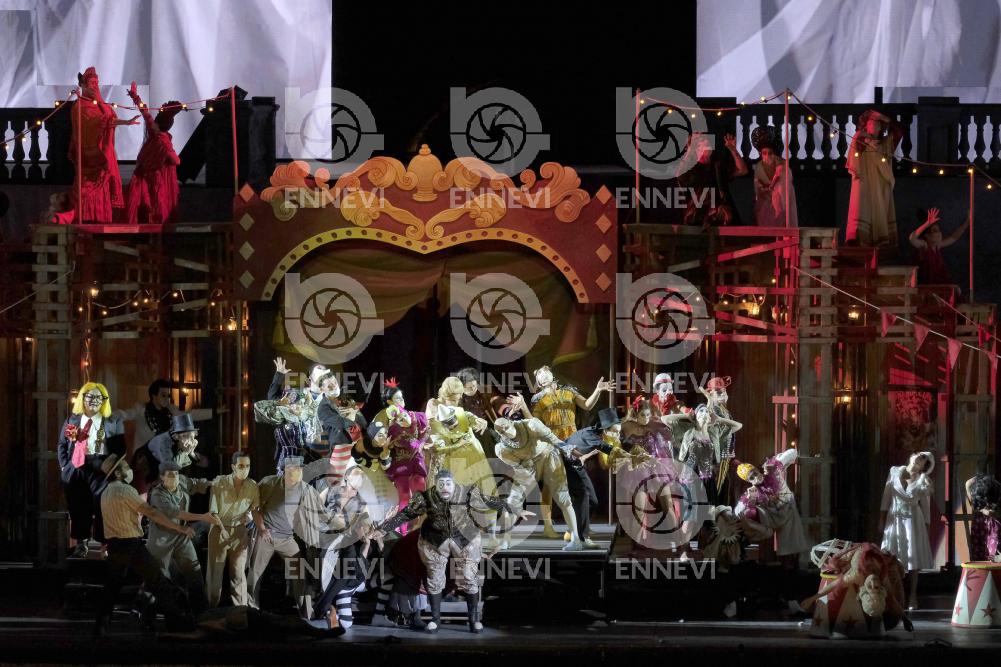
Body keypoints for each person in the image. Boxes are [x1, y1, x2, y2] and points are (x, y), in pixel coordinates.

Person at [373, 469, 534, 633]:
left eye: (448, 484)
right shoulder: (427, 497)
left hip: (464, 537)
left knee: (469, 576)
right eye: (441, 484)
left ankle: (474, 621)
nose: (445, 487)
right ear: (436, 485)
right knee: (435, 578)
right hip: (435, 539)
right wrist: (384, 528)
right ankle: (435, 620)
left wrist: (515, 509)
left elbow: (489, 501)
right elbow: (407, 514)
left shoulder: (466, 494)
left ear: (454, 484)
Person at [96, 455, 194, 636]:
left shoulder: (105, 493)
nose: (129, 469)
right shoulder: (126, 490)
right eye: (125, 467)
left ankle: (100, 625)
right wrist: (179, 528)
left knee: (112, 586)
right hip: (131, 545)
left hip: (114, 545)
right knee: (158, 582)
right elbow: (151, 513)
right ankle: (177, 622)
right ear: (117, 473)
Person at [527, 366, 612, 537]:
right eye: (539, 376)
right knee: (549, 485)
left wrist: (597, 390)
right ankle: (548, 526)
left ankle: (577, 526)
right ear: (538, 382)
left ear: (552, 374)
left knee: (575, 484)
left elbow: (587, 405)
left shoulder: (569, 391)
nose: (543, 376)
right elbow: (535, 424)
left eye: (545, 373)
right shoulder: (538, 400)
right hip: (552, 443)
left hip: (572, 441)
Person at [248, 456, 333, 618]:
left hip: (287, 538)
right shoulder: (269, 483)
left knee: (299, 572)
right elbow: (254, 508)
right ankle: (251, 609)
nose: (297, 472)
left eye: (299, 469)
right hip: (266, 535)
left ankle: (306, 611)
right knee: (255, 573)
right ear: (285, 471)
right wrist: (262, 529)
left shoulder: (304, 489)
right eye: (293, 469)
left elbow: (321, 512)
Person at [492, 416, 585, 550]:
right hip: (527, 466)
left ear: (511, 423)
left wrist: (569, 449)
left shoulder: (531, 425)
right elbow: (518, 466)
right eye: (501, 431)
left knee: (563, 498)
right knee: (512, 501)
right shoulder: (502, 448)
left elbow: (553, 439)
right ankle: (505, 540)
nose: (505, 432)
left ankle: (576, 539)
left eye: (506, 427)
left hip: (548, 457)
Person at [57, 382, 126, 556]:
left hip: (101, 466)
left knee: (103, 505)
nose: (95, 400)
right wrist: (64, 466)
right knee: (78, 506)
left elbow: (120, 448)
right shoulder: (72, 420)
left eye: (99, 397)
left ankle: (105, 545)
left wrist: (110, 466)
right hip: (76, 466)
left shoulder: (113, 420)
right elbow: (62, 445)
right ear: (82, 398)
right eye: (90, 396)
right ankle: (81, 543)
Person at [147, 461, 219, 614]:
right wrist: (202, 517)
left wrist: (212, 483)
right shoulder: (157, 494)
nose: (175, 477)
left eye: (176, 473)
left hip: (181, 536)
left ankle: (201, 611)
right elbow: (176, 513)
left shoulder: (183, 482)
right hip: (161, 539)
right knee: (159, 578)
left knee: (194, 570)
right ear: (162, 477)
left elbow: (196, 483)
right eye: (170, 474)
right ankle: (147, 612)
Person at [69, 67, 139, 224]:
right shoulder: (79, 106)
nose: (95, 86)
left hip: (103, 157)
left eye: (97, 83)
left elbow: (108, 119)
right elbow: (92, 124)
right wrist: (116, 120)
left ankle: (100, 220)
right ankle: (86, 220)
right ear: (83, 84)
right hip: (89, 158)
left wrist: (126, 121)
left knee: (102, 187)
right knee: (86, 189)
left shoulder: (100, 104)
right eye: (92, 83)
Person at [734, 449, 808, 566]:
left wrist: (776, 464)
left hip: (788, 511)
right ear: (748, 481)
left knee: (792, 545)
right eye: (751, 478)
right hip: (774, 519)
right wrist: (748, 502)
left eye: (755, 473)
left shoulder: (771, 471)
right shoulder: (753, 491)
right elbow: (737, 512)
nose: (756, 478)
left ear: (757, 469)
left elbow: (793, 452)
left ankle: (794, 563)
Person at [880, 451, 935, 609]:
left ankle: (912, 595)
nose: (919, 457)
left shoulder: (923, 481)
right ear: (910, 456)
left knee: (913, 560)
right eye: (918, 454)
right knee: (892, 556)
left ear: (924, 466)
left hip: (913, 522)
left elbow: (926, 508)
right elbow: (886, 497)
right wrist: (881, 521)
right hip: (894, 519)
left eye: (923, 458)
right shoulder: (894, 471)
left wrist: (926, 530)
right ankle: (894, 594)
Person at [562, 408, 623, 548]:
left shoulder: (599, 435)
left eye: (619, 432)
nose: (618, 435)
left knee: (592, 501)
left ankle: (574, 531)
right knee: (583, 497)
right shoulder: (591, 436)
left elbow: (598, 451)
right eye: (615, 432)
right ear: (605, 430)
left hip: (577, 465)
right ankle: (580, 538)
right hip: (566, 465)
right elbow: (606, 449)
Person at [255, 357, 329, 472]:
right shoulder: (295, 395)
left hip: (317, 461)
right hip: (291, 457)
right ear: (309, 379)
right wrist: (279, 375)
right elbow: (273, 400)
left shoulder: (330, 404)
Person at [124, 83, 183, 225]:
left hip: (156, 180)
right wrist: (135, 97)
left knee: (155, 208)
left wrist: (167, 157)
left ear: (159, 125)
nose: (152, 124)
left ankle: (154, 233)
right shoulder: (155, 132)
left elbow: (176, 161)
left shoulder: (164, 142)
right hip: (145, 177)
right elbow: (145, 113)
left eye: (155, 123)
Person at [206, 451, 260, 608]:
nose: (245, 469)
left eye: (248, 466)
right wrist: (222, 530)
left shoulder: (252, 486)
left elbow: (255, 507)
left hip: (239, 532)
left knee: (238, 573)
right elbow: (213, 512)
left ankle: (241, 611)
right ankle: (211, 609)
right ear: (233, 467)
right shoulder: (220, 483)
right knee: (215, 574)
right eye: (241, 466)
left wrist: (249, 517)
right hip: (219, 528)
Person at [846, 109, 904, 248]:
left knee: (880, 213)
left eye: (879, 124)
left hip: (880, 186)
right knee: (862, 210)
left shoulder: (885, 144)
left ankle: (881, 248)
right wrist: (863, 133)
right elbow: (855, 153)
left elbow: (898, 131)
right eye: (873, 122)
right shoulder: (861, 140)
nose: (876, 125)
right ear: (866, 125)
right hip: (864, 184)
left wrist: (885, 118)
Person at [113, 378, 212, 456]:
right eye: (163, 395)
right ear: (154, 396)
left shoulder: (171, 411)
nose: (167, 399)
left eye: (168, 396)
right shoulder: (141, 409)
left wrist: (214, 412)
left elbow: (190, 415)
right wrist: (113, 415)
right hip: (144, 460)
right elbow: (126, 414)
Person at [676, 132, 749, 227]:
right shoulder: (692, 169)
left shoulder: (717, 167)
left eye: (707, 139)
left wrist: (733, 150)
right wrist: (689, 150)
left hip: (722, 219)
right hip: (699, 221)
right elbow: (679, 174)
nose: (707, 141)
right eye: (702, 141)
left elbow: (743, 170)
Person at [132, 414, 202, 495]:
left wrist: (191, 453)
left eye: (193, 437)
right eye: (188, 437)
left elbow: (187, 462)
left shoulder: (181, 444)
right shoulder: (164, 443)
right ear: (177, 436)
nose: (191, 441)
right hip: (145, 469)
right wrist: (185, 452)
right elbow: (171, 470)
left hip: (156, 471)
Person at [908, 207, 969, 285]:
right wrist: (927, 224)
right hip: (927, 287)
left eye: (939, 230)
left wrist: (967, 222)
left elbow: (953, 238)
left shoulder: (937, 246)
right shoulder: (924, 246)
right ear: (927, 236)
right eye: (935, 231)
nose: (939, 233)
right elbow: (912, 238)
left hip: (939, 285)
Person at [751, 126, 797, 228]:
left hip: (781, 201)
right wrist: (761, 189)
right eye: (764, 153)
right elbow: (757, 186)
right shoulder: (759, 167)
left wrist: (774, 190)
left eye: (770, 153)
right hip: (765, 204)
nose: (767, 156)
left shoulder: (782, 166)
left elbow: (784, 187)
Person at [965, 473, 1000, 562]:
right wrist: (980, 478)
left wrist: (982, 479)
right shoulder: (978, 502)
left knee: (992, 556)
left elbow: (989, 512)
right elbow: (967, 484)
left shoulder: (988, 508)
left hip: (991, 535)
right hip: (981, 534)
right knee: (979, 556)